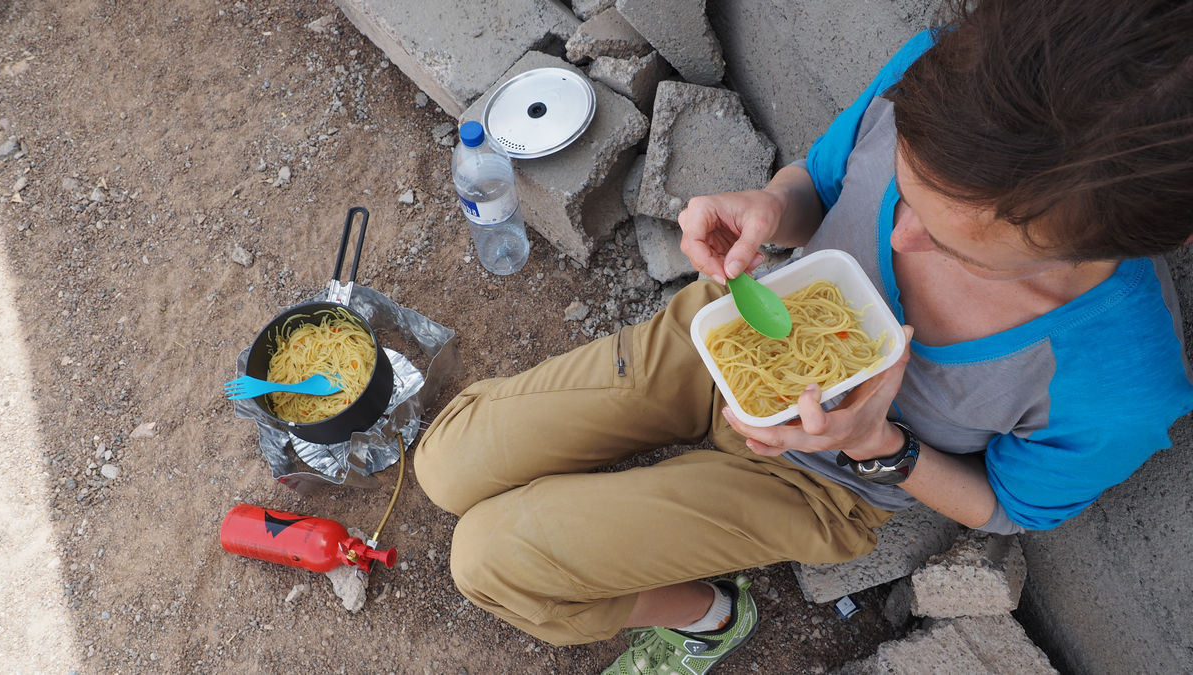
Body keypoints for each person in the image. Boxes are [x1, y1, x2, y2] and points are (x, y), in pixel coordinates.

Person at [415, 0, 1193, 672]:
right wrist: (765, 209)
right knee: (444, 466)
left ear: (1080, 248)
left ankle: (709, 615)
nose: (902, 237)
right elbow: (819, 185)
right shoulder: (936, 82)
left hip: (828, 480)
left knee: (488, 560)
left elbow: (1005, 505)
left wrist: (875, 442)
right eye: (908, 193)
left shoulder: (1123, 380)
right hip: (726, 338)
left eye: (958, 246)